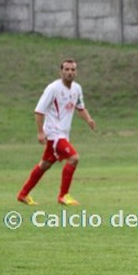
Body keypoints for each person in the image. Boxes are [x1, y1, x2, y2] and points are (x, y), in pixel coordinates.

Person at [17, 59, 96, 206]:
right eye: (66, 69)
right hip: (54, 134)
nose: (70, 72)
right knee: (74, 158)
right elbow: (39, 111)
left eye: (72, 70)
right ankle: (63, 196)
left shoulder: (77, 89)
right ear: (61, 72)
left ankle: (23, 194)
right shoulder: (53, 88)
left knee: (44, 165)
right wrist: (40, 132)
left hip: (63, 134)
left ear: (76, 72)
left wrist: (89, 120)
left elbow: (80, 107)